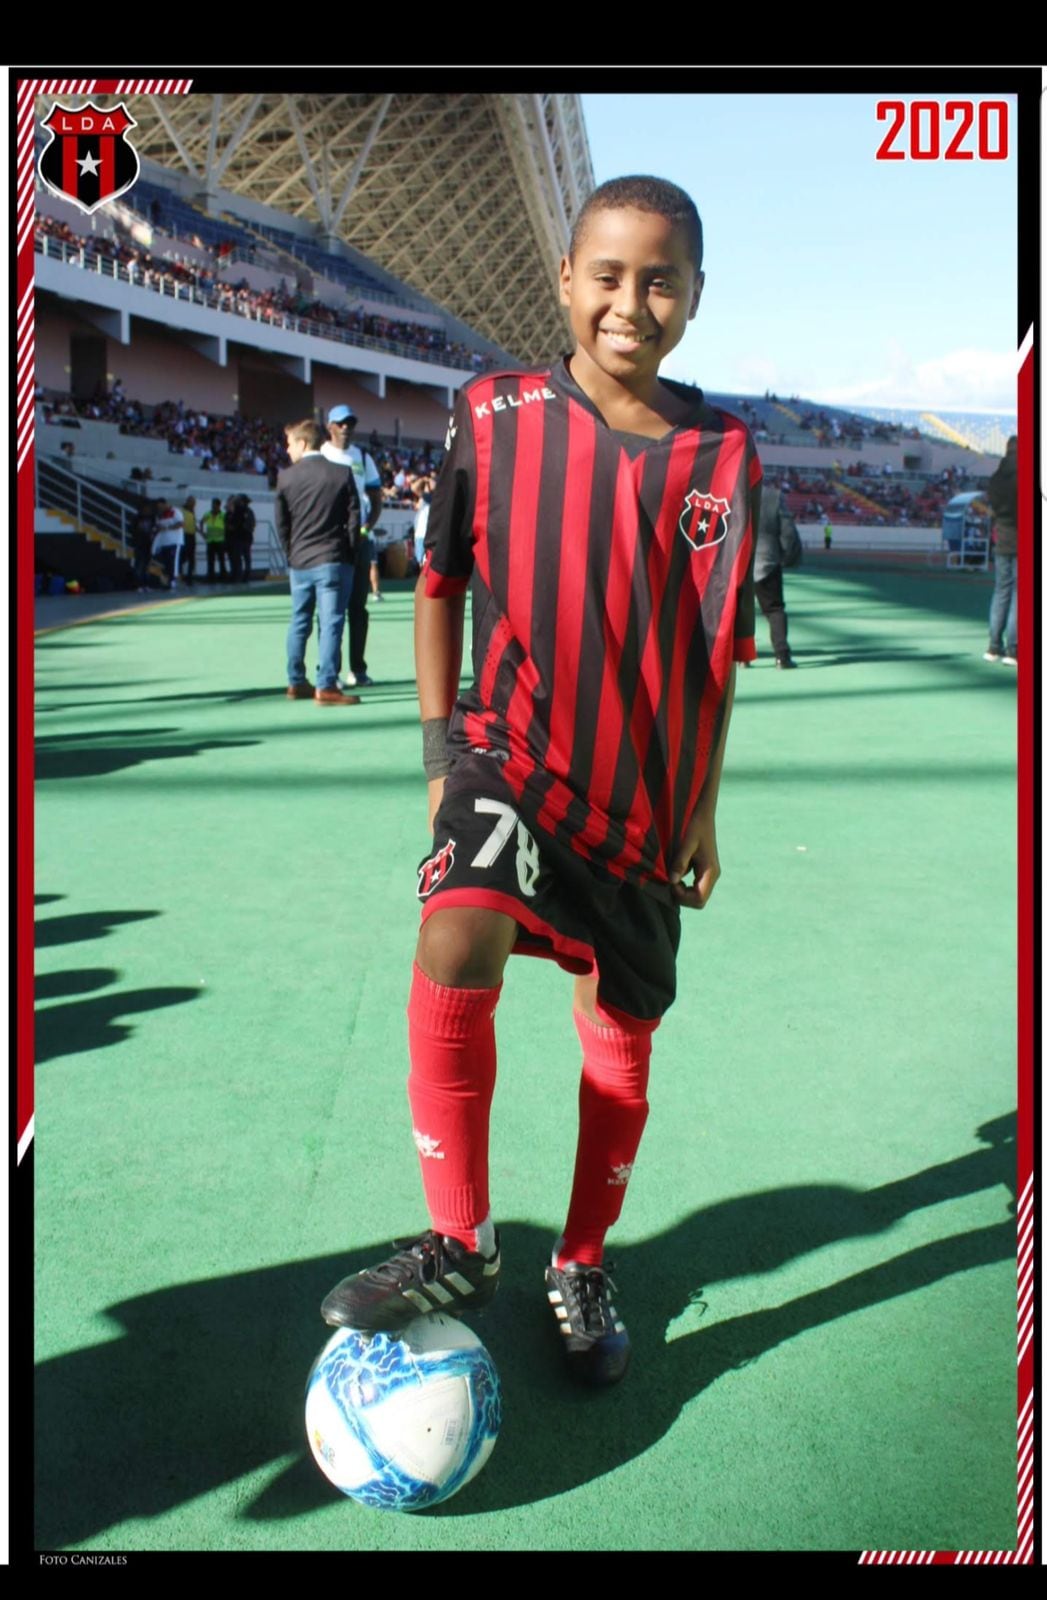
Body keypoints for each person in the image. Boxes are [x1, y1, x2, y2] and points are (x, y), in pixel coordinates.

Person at [321, 176, 760, 1387]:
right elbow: (438, 587)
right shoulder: (493, 412)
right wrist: (436, 748)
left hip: (642, 799)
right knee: (454, 931)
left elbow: (715, 656)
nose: (632, 302)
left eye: (660, 278)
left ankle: (578, 1258)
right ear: (565, 281)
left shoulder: (727, 454)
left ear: (696, 298)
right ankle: (462, 1239)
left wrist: (704, 805)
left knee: (621, 1037)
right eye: (609, 274)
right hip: (507, 759)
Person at [275, 418, 360, 706]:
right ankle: (326, 685)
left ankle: (295, 681)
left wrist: (291, 553)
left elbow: (282, 524)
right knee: (331, 621)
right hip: (333, 558)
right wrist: (348, 552)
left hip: (299, 561)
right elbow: (353, 518)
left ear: (302, 442)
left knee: (299, 620)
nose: (287, 450)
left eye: (289, 444)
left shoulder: (286, 478)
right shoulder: (340, 473)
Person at [320, 405, 383, 685]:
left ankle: (358, 669)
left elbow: (376, 495)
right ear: (330, 426)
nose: (346, 428)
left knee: (358, 609)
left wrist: (367, 527)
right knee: (330, 611)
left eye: (351, 423)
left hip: (360, 541)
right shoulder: (320, 456)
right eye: (341, 423)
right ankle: (329, 671)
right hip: (331, 543)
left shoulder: (363, 457)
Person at [754, 483, 802, 668]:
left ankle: (741, 656)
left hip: (738, 561)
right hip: (767, 561)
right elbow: (788, 531)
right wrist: (786, 555)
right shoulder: (774, 497)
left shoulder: (730, 493)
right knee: (775, 610)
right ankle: (782, 656)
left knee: (738, 611)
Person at [983, 436, 1018, 666]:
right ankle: (1013, 648)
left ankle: (994, 645)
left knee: (1001, 591)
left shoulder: (996, 479)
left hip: (1003, 540)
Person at [201, 498, 227, 583]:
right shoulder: (208, 514)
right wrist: (202, 533)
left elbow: (226, 525)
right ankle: (211, 578)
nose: (213, 507)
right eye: (212, 505)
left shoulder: (223, 515)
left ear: (219, 505)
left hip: (220, 540)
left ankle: (223, 577)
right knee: (210, 560)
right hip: (210, 541)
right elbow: (201, 522)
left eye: (215, 505)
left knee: (221, 560)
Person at [180, 496, 198, 586]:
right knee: (183, 558)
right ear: (188, 502)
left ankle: (190, 579)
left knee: (191, 559)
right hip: (185, 536)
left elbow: (194, 524)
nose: (194, 505)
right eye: (192, 503)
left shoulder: (192, 512)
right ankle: (179, 576)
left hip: (192, 536)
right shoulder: (182, 511)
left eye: (194, 503)